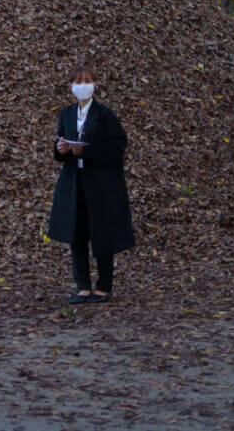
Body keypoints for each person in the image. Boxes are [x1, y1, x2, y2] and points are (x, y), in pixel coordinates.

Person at [47, 67, 135, 305]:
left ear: (94, 85)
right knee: (77, 234)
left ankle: (104, 286)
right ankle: (82, 286)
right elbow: (59, 151)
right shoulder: (66, 114)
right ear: (71, 86)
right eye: (78, 81)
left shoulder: (105, 115)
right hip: (74, 184)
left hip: (101, 186)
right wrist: (62, 150)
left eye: (87, 81)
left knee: (102, 234)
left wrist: (86, 151)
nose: (82, 85)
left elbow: (118, 149)